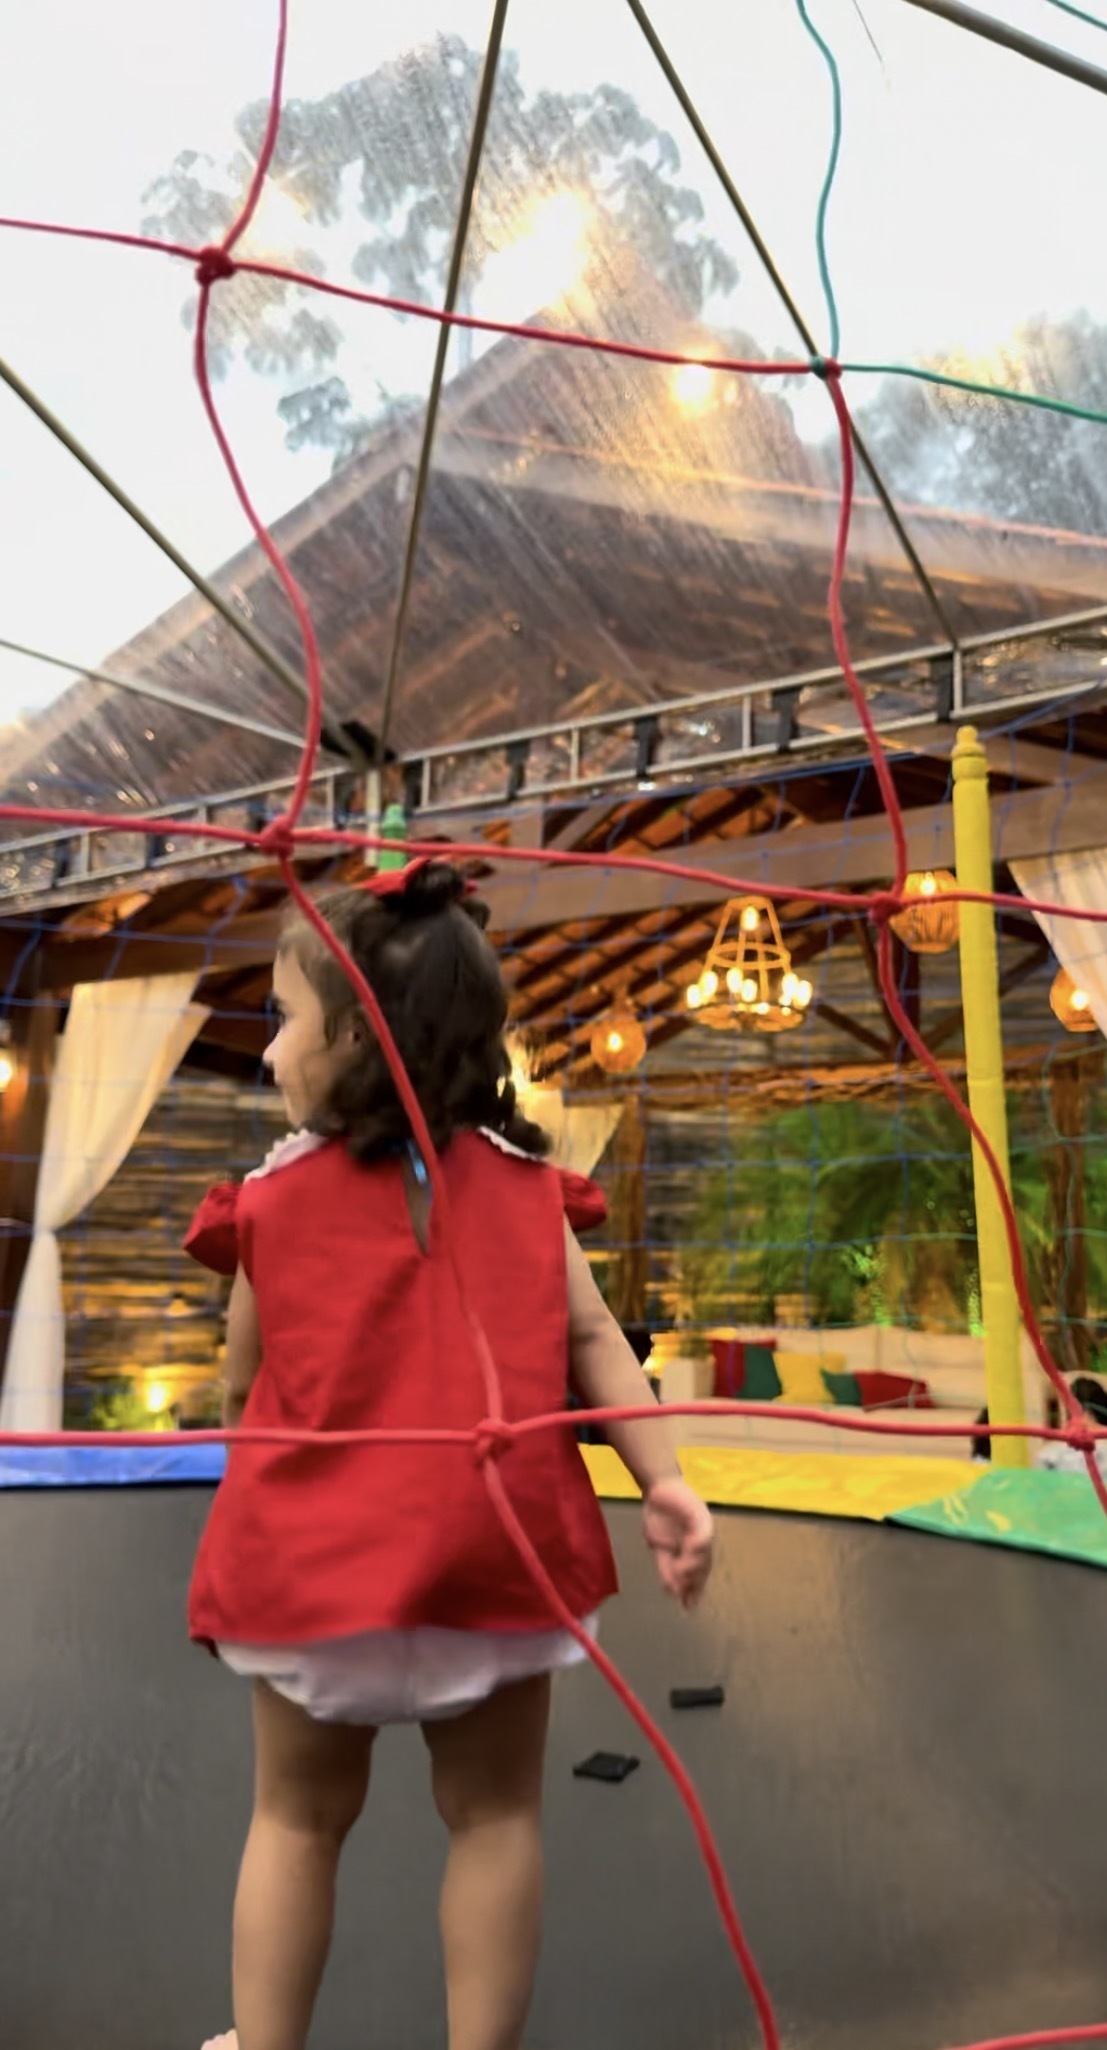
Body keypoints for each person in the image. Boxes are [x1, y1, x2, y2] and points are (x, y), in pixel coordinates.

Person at [183, 862, 714, 2050]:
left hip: (322, 1576)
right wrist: (666, 1480)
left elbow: (241, 1385)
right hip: (495, 1558)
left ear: (354, 1041)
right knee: (494, 1818)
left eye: (283, 1017)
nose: (269, 1048)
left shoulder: (274, 1198)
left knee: (296, 1819)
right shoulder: (527, 1188)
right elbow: (595, 1342)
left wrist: (248, 1498)